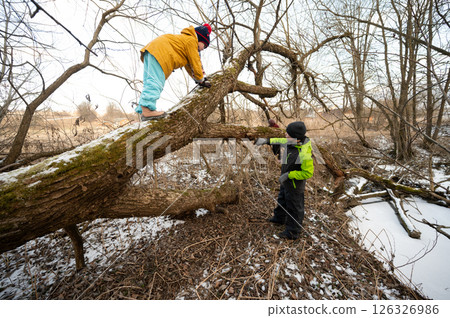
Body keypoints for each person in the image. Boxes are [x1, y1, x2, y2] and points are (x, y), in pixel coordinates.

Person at [136, 23, 213, 120]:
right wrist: (201, 79)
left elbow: (190, 66)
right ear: (200, 39)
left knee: (150, 81)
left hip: (153, 50)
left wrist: (198, 79)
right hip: (161, 52)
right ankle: (147, 110)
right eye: (204, 46)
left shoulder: (185, 40)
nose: (203, 49)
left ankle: (144, 109)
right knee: (156, 81)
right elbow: (196, 62)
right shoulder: (192, 41)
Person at [255, 121, 314, 240]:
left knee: (294, 207)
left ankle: (293, 232)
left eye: (288, 134)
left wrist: (289, 175)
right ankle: (279, 218)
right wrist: (267, 141)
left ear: (296, 138)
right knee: (282, 199)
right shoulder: (293, 142)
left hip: (294, 185)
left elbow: (308, 173)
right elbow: (281, 141)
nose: (285, 135)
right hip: (286, 181)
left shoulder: (304, 152)